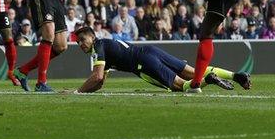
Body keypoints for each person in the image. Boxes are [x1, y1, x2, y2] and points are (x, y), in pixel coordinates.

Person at [72, 26, 251, 92]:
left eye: (82, 40)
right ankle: (236, 76)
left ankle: (208, 80)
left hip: (142, 63)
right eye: (78, 42)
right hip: (150, 51)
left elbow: (96, 77)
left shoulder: (98, 47)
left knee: (181, 86)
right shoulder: (105, 44)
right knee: (193, 73)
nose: (81, 44)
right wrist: (88, 88)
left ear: (92, 36)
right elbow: (100, 81)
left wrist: (77, 92)